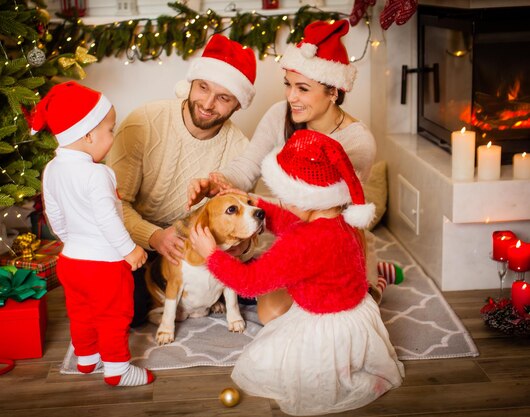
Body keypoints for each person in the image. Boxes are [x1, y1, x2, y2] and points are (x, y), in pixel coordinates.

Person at [186, 19, 402, 309]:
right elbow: (249, 165)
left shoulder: (357, 141)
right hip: (296, 236)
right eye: (288, 85)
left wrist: (250, 206)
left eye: (303, 88)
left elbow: (319, 210)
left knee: (301, 309)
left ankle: (377, 274)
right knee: (268, 311)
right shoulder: (280, 114)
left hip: (335, 242)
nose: (291, 97)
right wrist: (219, 183)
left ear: (334, 91)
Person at [189, 129, 404, 416]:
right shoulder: (337, 219)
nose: (284, 204)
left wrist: (212, 255)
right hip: (354, 316)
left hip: (328, 329)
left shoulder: (304, 243)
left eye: (287, 196)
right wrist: (254, 203)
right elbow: (291, 221)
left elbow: (249, 283)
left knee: (274, 365)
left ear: (308, 197)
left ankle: (342, 364)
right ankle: (378, 283)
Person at [107, 34, 257, 326]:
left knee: (263, 282)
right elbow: (112, 204)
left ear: (237, 105)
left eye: (224, 98)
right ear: (192, 82)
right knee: (131, 313)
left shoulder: (241, 149)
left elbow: (247, 219)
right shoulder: (144, 122)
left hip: (197, 249)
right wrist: (155, 237)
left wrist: (242, 246)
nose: (208, 103)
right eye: (203, 88)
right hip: (135, 241)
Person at [27, 81, 153, 387]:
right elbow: (108, 219)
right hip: (103, 265)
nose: (112, 136)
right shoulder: (98, 174)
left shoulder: (52, 170)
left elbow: (54, 215)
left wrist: (71, 241)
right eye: (110, 130)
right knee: (113, 315)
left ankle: (86, 358)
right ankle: (117, 370)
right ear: (87, 135)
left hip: (70, 260)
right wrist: (129, 250)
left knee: (81, 311)